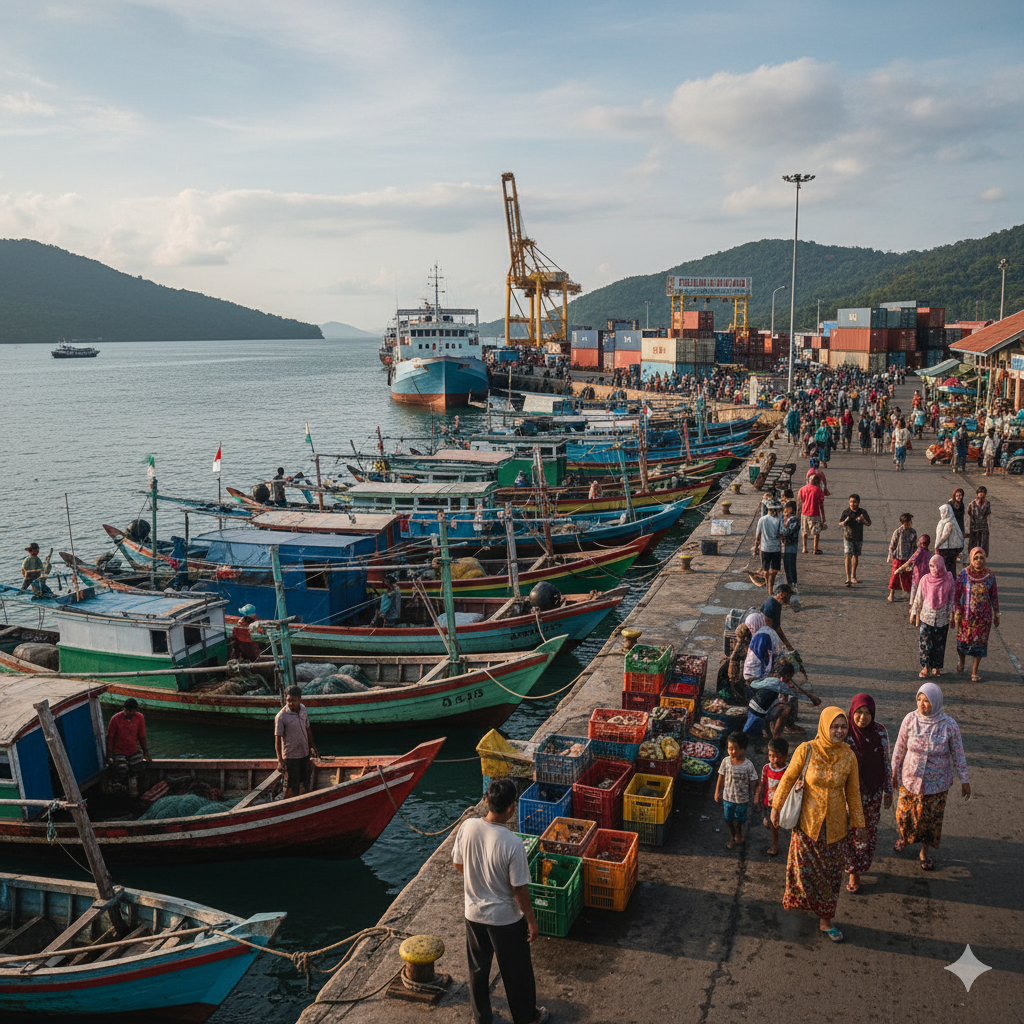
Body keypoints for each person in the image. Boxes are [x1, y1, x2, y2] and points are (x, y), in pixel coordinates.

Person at [452, 778, 546, 1024]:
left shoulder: (468, 827)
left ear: (486, 801)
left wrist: (479, 879)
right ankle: (526, 1018)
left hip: (473, 914)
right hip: (505, 920)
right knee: (517, 973)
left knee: (478, 969)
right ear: (511, 807)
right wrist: (531, 921)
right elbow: (519, 889)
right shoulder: (513, 843)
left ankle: (481, 1018)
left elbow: (458, 864)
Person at [771, 707, 866, 943]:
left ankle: (825, 920)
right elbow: (789, 778)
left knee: (831, 877)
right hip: (807, 825)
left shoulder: (849, 756)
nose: (839, 731)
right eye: (834, 726)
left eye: (843, 727)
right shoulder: (807, 749)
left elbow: (853, 793)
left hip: (835, 829)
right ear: (824, 726)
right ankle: (804, 904)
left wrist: (859, 824)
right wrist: (776, 806)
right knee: (804, 872)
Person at [891, 683, 970, 871]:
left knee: (930, 821)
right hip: (910, 779)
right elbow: (899, 747)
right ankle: (904, 836)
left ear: (935, 701)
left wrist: (964, 779)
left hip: (937, 784)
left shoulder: (949, 725)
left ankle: (924, 852)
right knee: (904, 814)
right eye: (919, 699)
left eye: (926, 701)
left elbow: (958, 754)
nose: (922, 704)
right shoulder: (910, 719)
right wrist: (893, 771)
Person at [843, 694, 891, 894]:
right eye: (859, 712)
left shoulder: (880, 731)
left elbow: (885, 761)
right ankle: (851, 867)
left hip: (872, 794)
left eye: (868, 713)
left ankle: (857, 869)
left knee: (866, 832)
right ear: (852, 712)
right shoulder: (844, 733)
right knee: (849, 832)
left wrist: (888, 790)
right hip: (848, 795)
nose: (863, 717)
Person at [954, 547, 1000, 681]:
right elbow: (956, 595)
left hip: (983, 618)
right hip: (966, 617)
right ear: (971, 559)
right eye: (975, 558)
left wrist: (997, 614)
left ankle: (974, 672)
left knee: (979, 645)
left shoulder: (990, 576)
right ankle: (962, 662)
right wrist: (956, 611)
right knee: (961, 644)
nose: (978, 560)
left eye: (981, 558)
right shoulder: (964, 574)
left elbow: (994, 596)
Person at [910, 554, 955, 678]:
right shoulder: (925, 579)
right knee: (925, 643)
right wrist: (914, 613)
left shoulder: (949, 578)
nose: (934, 569)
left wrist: (953, 615)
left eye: (936, 566)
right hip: (926, 617)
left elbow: (952, 598)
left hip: (942, 617)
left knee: (939, 644)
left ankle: (936, 666)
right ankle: (926, 667)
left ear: (941, 566)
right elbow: (919, 597)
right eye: (931, 566)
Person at [715, 731, 760, 849]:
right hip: (728, 797)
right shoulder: (726, 762)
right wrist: (717, 792)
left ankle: (739, 830)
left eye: (735, 749)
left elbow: (754, 781)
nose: (732, 752)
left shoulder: (748, 765)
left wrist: (757, 795)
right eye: (730, 748)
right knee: (728, 818)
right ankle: (732, 836)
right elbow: (721, 776)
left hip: (742, 798)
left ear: (743, 750)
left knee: (740, 818)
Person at [274, 685, 319, 799]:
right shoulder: (281, 717)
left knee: (304, 780)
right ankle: (288, 805)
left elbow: (307, 728)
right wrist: (280, 760)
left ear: (300, 700)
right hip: (291, 756)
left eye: (294, 700)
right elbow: (278, 740)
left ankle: (302, 801)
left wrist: (312, 746)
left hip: (304, 753)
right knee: (292, 785)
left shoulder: (303, 709)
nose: (290, 703)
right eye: (288, 700)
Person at [106, 697, 151, 796]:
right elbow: (110, 738)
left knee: (140, 768)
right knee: (122, 770)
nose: (130, 713)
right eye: (128, 711)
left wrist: (145, 753)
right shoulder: (115, 719)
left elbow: (142, 736)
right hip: (119, 751)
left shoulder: (139, 717)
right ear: (124, 709)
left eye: (132, 711)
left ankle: (138, 792)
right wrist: (109, 755)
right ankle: (123, 792)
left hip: (133, 750)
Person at [757, 737, 790, 857]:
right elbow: (763, 783)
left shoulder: (788, 771)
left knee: (775, 825)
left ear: (785, 756)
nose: (772, 759)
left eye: (776, 756)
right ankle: (775, 834)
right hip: (768, 803)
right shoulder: (766, 768)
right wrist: (758, 797)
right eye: (770, 755)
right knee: (768, 823)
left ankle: (774, 845)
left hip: (782, 805)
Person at [838, 494, 871, 587]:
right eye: (851, 501)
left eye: (855, 502)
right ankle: (848, 578)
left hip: (858, 537)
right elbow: (840, 522)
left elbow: (869, 523)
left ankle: (853, 576)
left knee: (855, 556)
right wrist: (844, 522)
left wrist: (862, 519)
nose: (853, 504)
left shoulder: (862, 512)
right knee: (847, 555)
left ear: (858, 503)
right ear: (849, 502)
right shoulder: (846, 512)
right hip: (847, 537)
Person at [753, 500, 783, 596]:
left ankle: (768, 585)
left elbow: (758, 535)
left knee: (766, 569)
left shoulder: (762, 519)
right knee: (774, 570)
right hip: (776, 548)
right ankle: (770, 588)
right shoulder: (779, 520)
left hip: (765, 548)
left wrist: (755, 547)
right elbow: (781, 534)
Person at [886, 513, 917, 602]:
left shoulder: (913, 532)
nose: (908, 525)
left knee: (908, 576)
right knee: (895, 576)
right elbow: (893, 544)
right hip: (898, 557)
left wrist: (914, 557)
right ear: (902, 523)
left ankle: (909, 594)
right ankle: (891, 594)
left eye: (909, 523)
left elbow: (914, 546)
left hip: (908, 558)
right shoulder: (898, 532)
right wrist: (890, 556)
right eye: (906, 523)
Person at [799, 474, 826, 556]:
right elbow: (821, 504)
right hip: (815, 513)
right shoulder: (818, 490)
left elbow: (800, 502)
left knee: (804, 531)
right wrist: (823, 517)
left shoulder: (802, 489)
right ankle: (815, 549)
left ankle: (804, 548)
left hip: (804, 513)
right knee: (816, 532)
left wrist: (798, 512)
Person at [934, 503, 965, 575]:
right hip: (945, 548)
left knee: (948, 567)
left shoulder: (949, 523)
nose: (942, 513)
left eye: (943, 511)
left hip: (948, 549)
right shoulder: (944, 521)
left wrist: (937, 545)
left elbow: (945, 536)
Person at [779, 500, 801, 600]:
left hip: (791, 546)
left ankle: (793, 586)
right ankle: (790, 585)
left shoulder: (794, 520)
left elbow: (788, 532)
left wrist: (780, 530)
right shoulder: (787, 520)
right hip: (787, 546)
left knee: (791, 567)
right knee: (787, 566)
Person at [966, 486, 991, 555]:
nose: (981, 494)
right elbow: (968, 514)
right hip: (974, 527)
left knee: (983, 544)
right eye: (979, 492)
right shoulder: (972, 503)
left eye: (982, 492)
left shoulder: (987, 503)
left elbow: (988, 513)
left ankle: (982, 558)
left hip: (983, 527)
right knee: (973, 545)